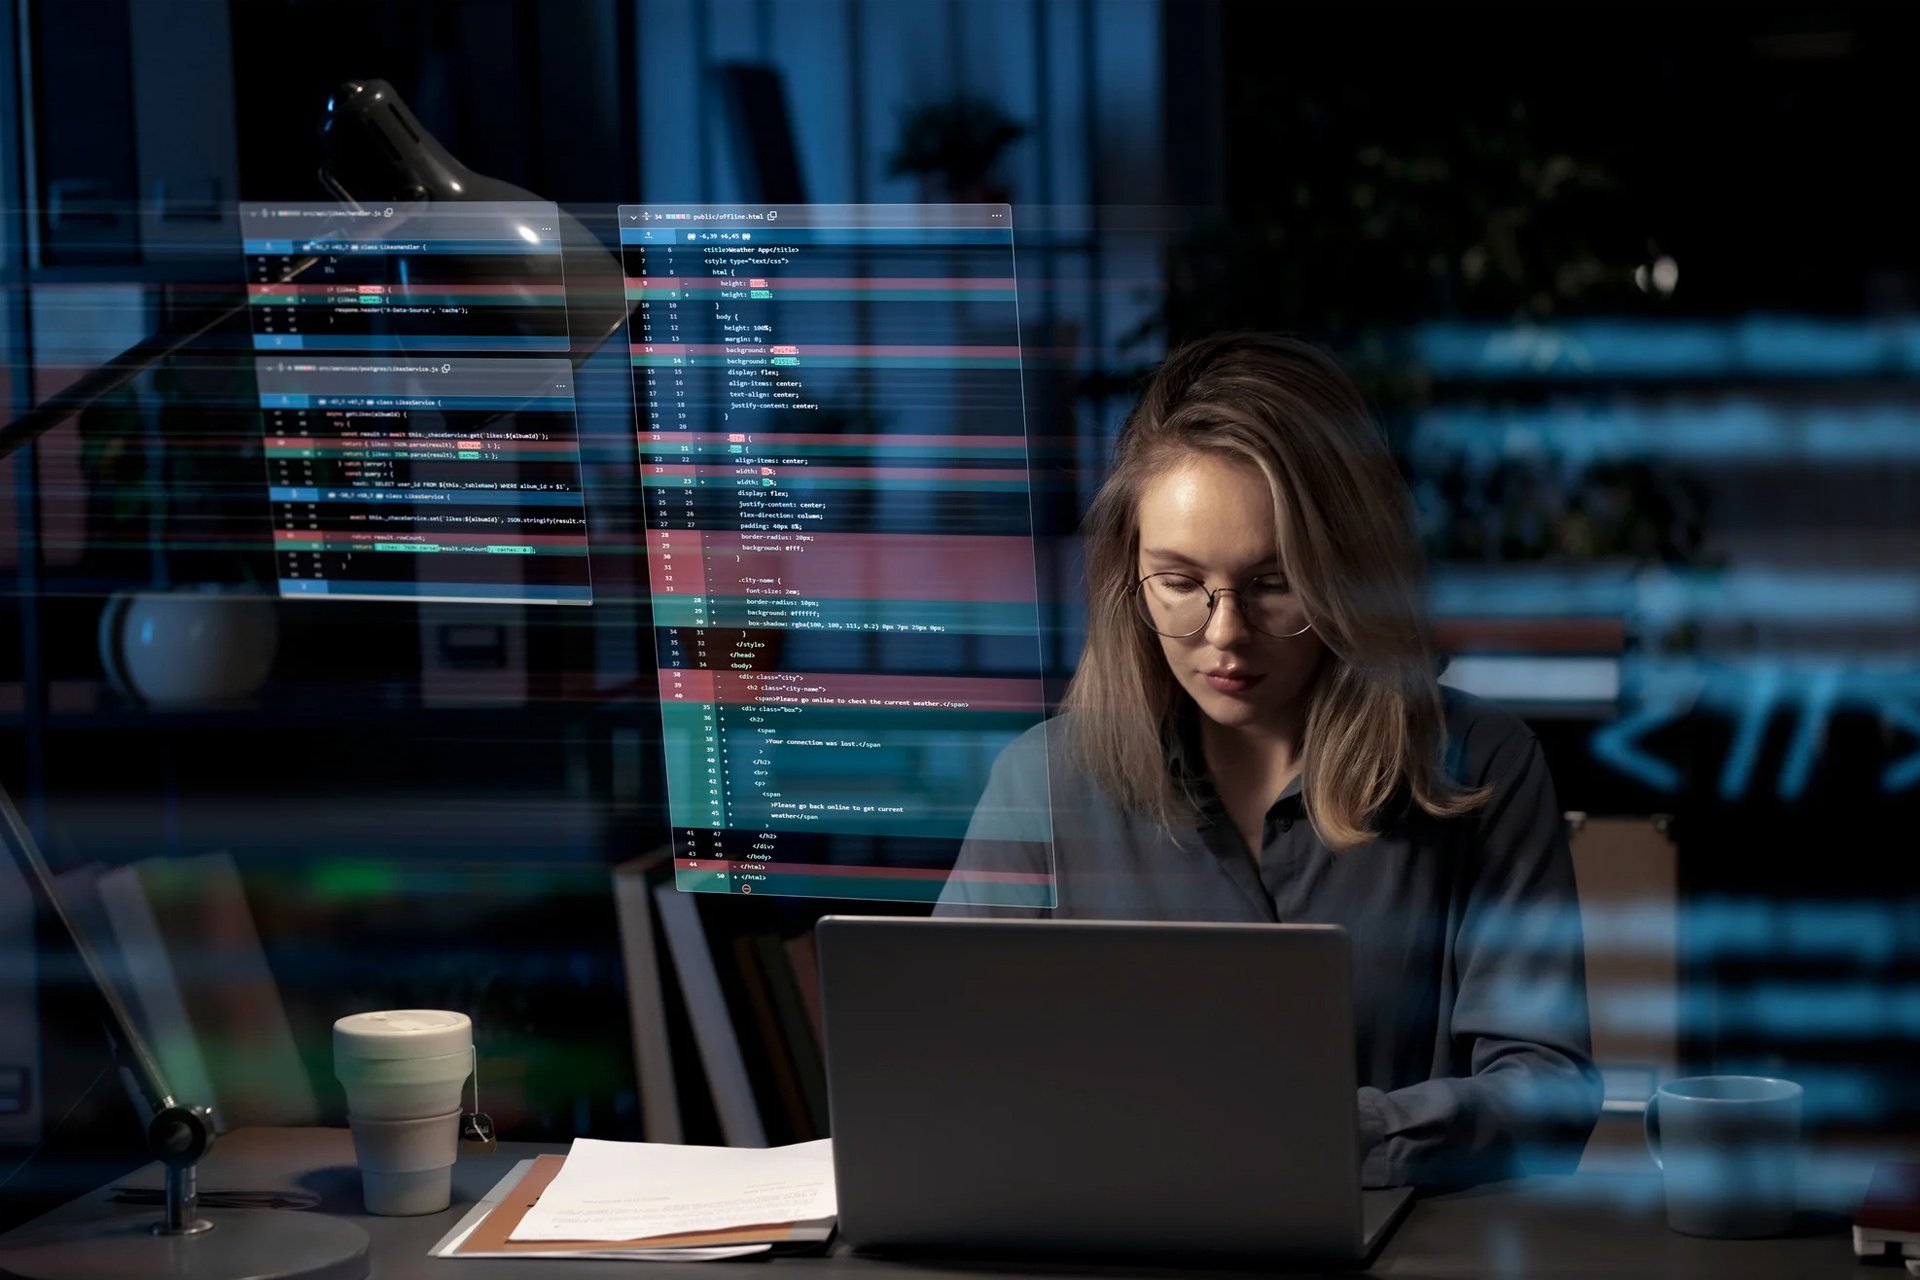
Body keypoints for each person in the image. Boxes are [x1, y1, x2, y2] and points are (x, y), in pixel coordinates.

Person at [935, 332, 1603, 1189]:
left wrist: (1320, 1133)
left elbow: (1547, 1096)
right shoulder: (1043, 783)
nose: (1224, 636)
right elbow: (947, 1076)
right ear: (1125, 577)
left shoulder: (1480, 767)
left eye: (1274, 582)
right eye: (1178, 582)